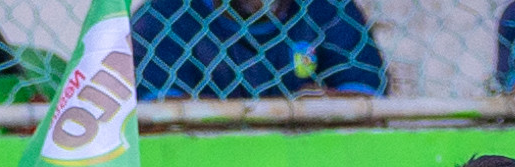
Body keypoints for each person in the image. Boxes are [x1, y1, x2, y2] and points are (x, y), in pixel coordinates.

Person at [132, 0, 387, 100]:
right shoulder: (165, 15)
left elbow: (368, 104)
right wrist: (295, 111)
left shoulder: (329, 8)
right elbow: (157, 118)